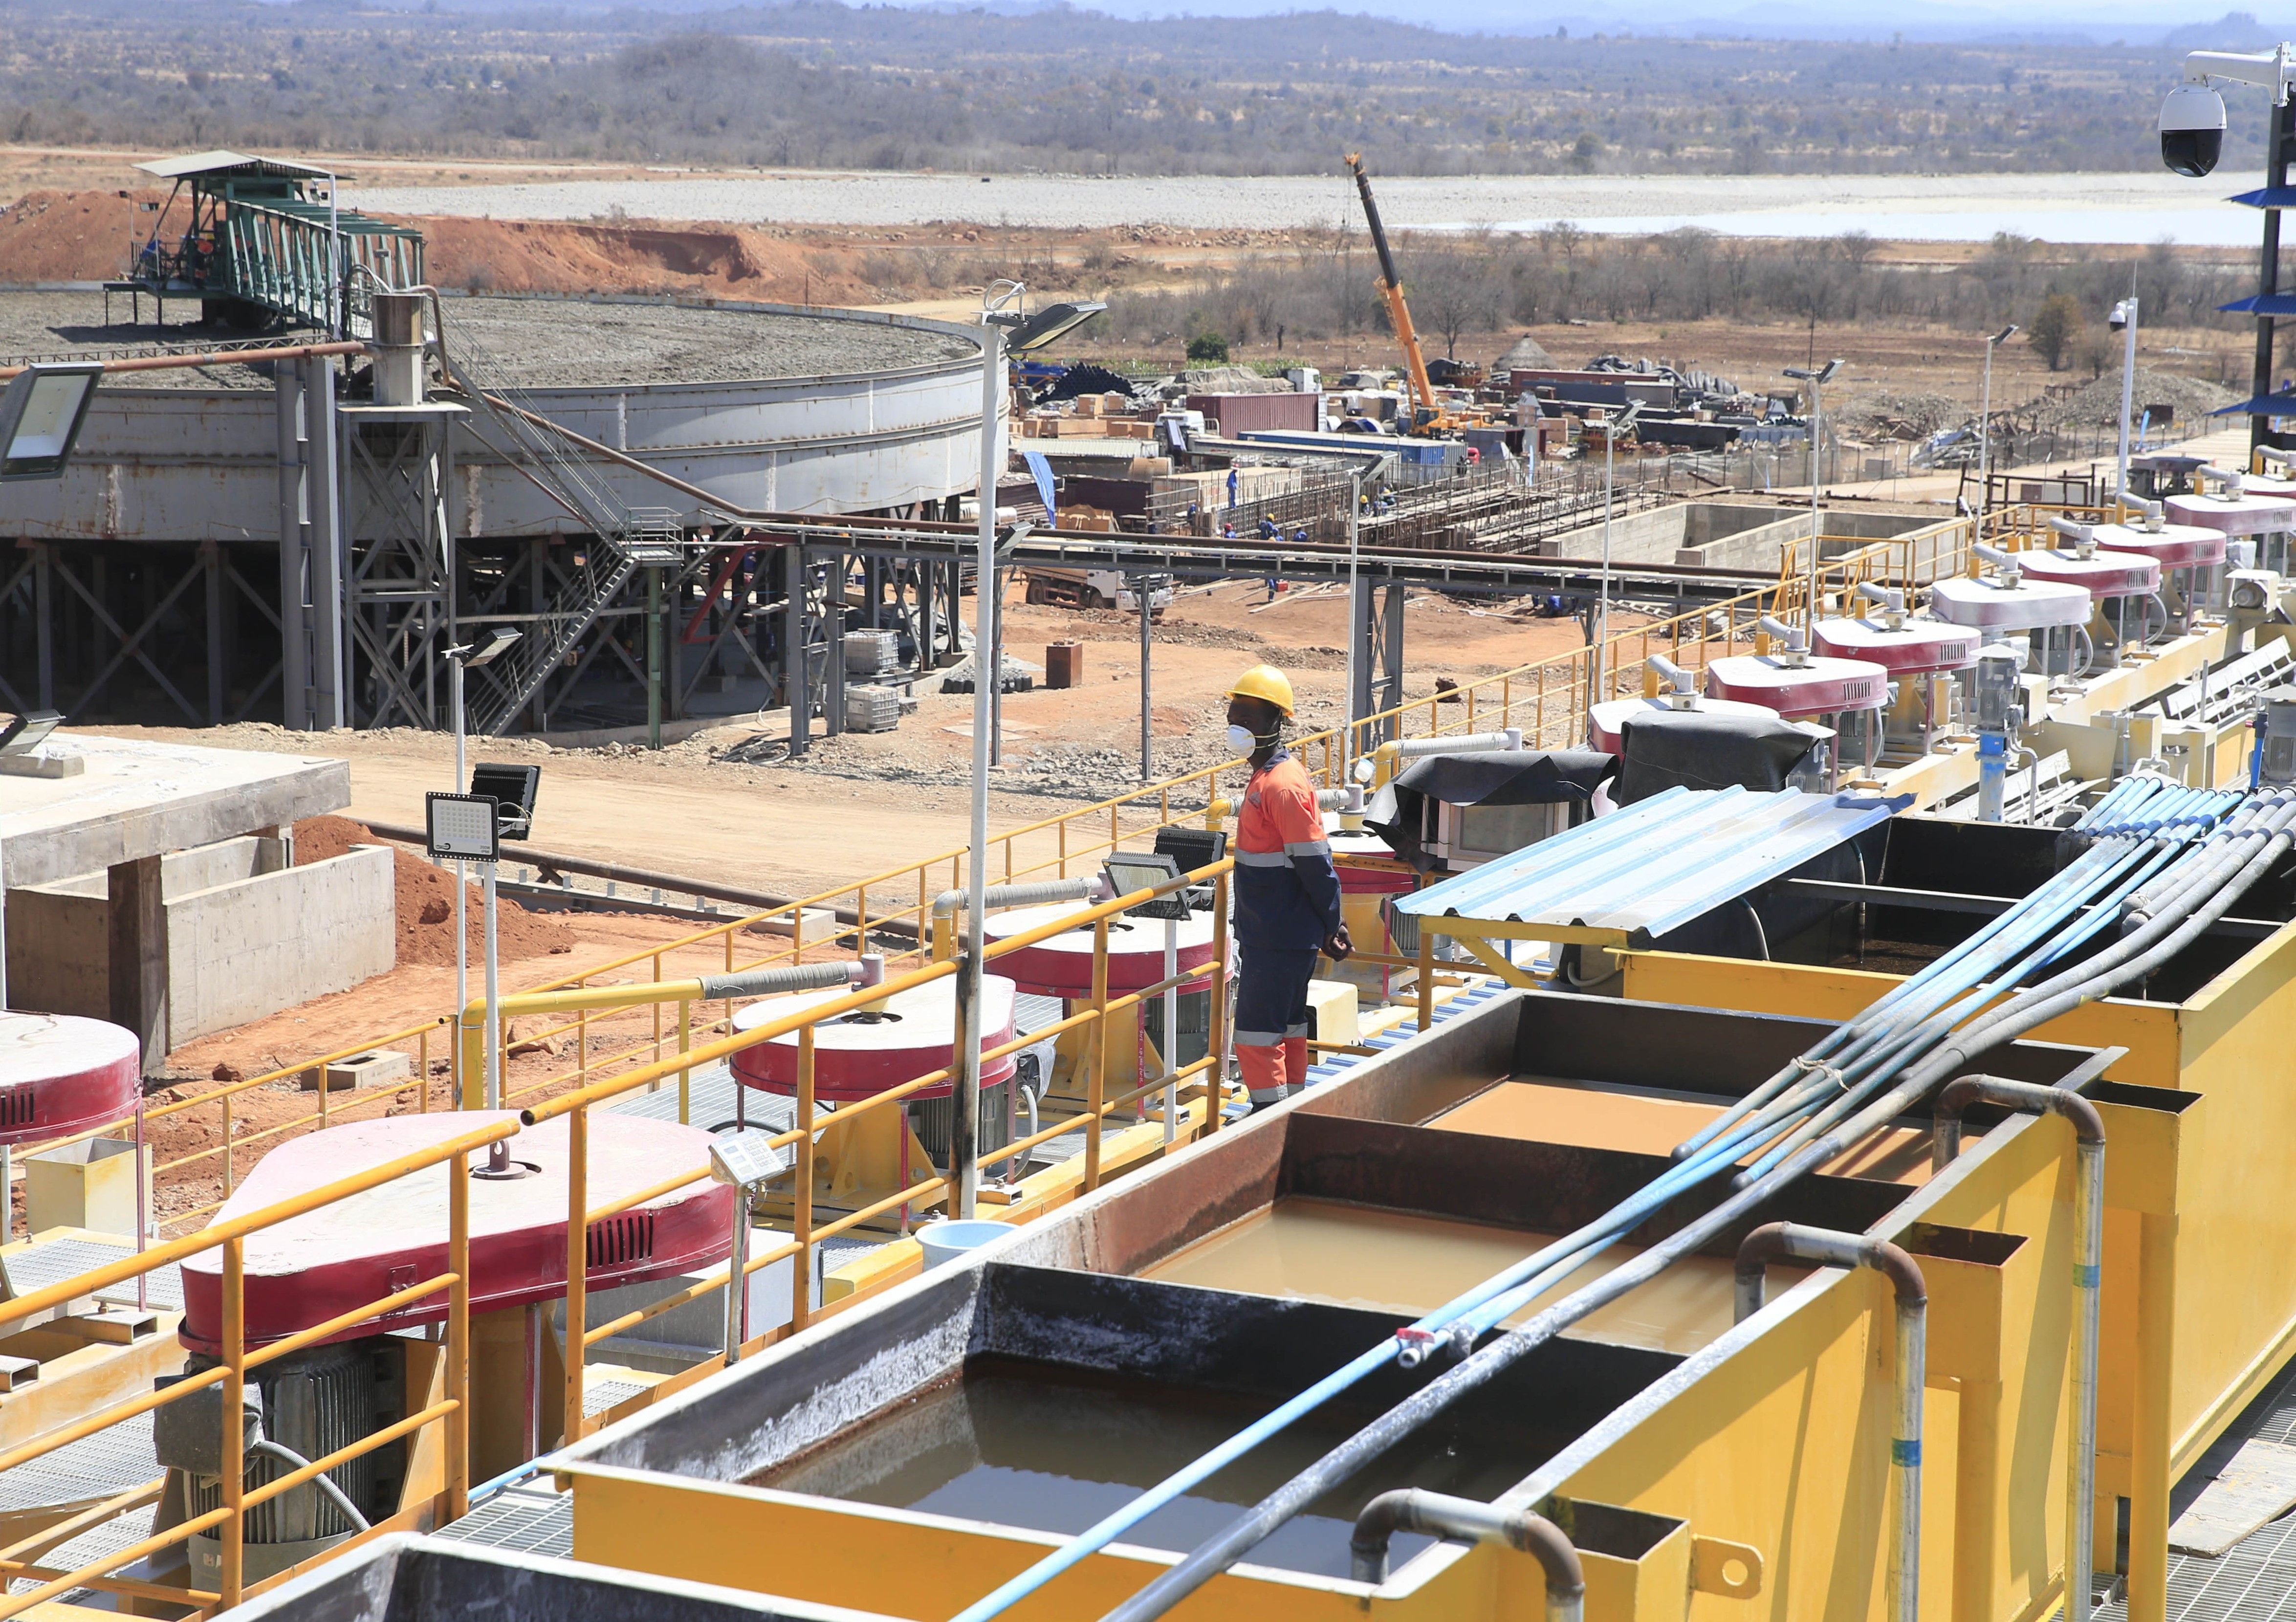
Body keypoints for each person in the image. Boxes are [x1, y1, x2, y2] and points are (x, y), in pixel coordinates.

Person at [1224, 664, 1349, 1110]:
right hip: (1275, 931)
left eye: (1248, 720)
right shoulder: (1266, 779)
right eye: (1234, 718)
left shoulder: (1280, 785)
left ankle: (1267, 1117)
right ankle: (1289, 1108)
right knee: (1288, 1027)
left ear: (1276, 725)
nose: (1237, 727)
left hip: (1278, 935)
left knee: (1258, 1031)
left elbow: (1315, 861)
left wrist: (1333, 922)